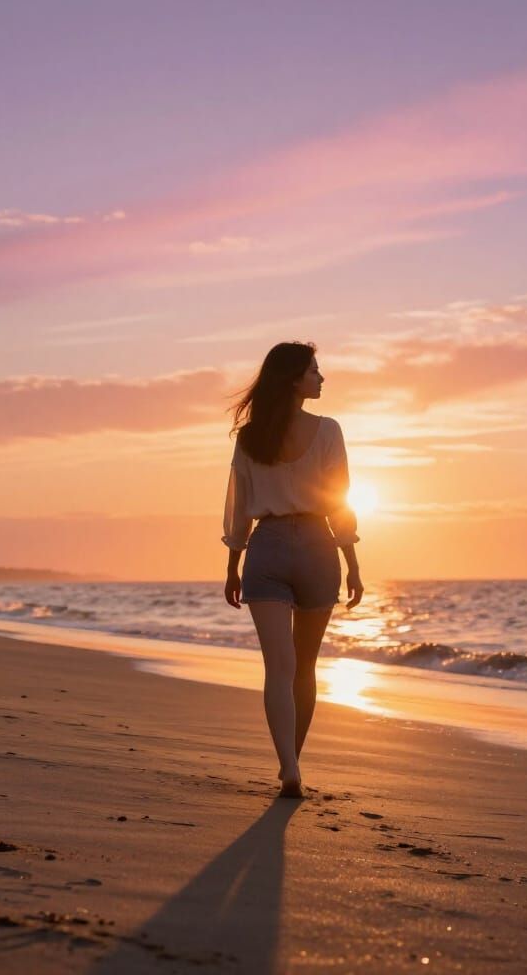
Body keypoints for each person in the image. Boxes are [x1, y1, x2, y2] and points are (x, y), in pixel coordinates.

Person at [222, 341, 364, 799]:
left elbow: (240, 508)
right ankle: (291, 765)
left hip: (266, 547)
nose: (321, 378)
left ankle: (289, 766)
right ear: (293, 379)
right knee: (303, 669)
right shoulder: (328, 431)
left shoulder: (249, 437)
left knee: (278, 669)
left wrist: (233, 564)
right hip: (319, 547)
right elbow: (339, 500)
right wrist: (353, 562)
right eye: (315, 371)